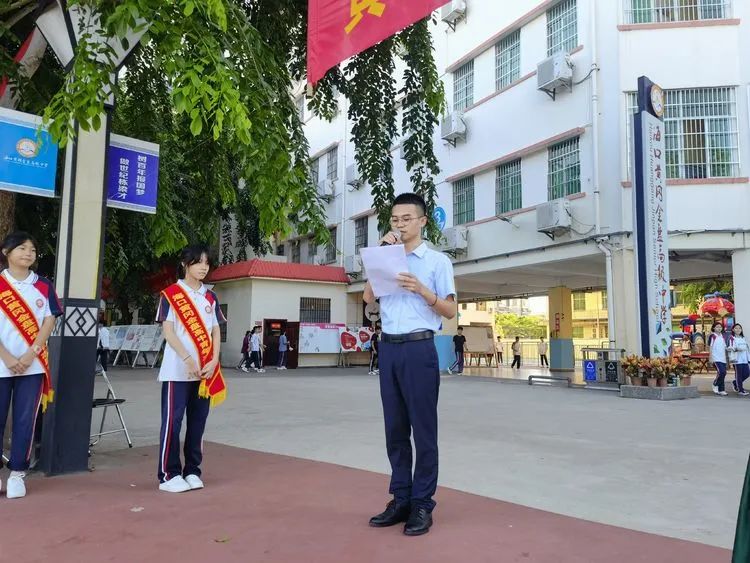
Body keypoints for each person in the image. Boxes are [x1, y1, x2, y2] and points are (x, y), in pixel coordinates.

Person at [364, 193, 456, 537]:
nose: (399, 225)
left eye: (406, 218)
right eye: (394, 220)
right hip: (389, 348)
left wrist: (421, 290)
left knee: (423, 430)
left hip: (419, 348)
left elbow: (449, 311)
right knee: (395, 430)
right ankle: (400, 498)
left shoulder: (436, 262)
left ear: (422, 221)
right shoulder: (384, 257)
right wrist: (380, 258)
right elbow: (367, 297)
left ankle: (422, 504)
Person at [155, 244, 227, 493]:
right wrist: (187, 358)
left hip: (205, 370)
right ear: (186, 264)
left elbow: (216, 329)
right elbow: (168, 330)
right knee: (172, 423)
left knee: (197, 423)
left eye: (207, 262)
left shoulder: (210, 296)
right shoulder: (171, 294)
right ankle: (168, 474)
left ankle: (193, 470)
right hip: (177, 370)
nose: (204, 267)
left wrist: (214, 358)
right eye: (198, 262)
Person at [0, 232, 62, 499]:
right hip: (2, 362)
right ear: (6, 252)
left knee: (26, 420)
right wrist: (7, 357)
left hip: (33, 365)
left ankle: (17, 473)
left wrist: (29, 355)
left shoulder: (44, 286)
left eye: (32, 249)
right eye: (22, 248)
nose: (28, 253)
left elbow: (49, 321)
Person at [708, 321, 729, 396]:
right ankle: (715, 383)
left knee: (722, 373)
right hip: (715, 358)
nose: (719, 328)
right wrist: (710, 357)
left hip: (722, 358)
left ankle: (721, 390)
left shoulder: (723, 336)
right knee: (722, 372)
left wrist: (730, 349)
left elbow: (725, 347)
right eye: (717, 327)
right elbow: (710, 347)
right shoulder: (712, 336)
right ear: (713, 328)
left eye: (720, 327)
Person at [729, 323, 749, 396]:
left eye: (739, 328)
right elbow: (730, 348)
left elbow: (747, 349)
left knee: (747, 373)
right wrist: (736, 349)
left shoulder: (742, 338)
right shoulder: (732, 338)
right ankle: (740, 390)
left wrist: (748, 359)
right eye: (736, 328)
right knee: (739, 375)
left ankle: (735, 383)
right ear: (733, 330)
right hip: (737, 360)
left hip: (745, 360)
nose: (738, 329)